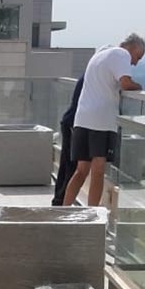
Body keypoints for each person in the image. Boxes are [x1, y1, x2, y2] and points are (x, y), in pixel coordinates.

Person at [63, 33, 145, 207]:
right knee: (98, 170)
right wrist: (139, 86)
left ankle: (64, 210)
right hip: (101, 121)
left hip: (82, 118)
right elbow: (125, 83)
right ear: (132, 48)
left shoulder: (101, 53)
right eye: (138, 57)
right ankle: (92, 213)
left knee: (81, 170)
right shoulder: (122, 54)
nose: (135, 63)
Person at [51, 71, 84, 205]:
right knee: (71, 166)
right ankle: (61, 201)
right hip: (73, 123)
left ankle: (59, 201)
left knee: (67, 165)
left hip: (70, 121)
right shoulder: (95, 77)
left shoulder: (90, 75)